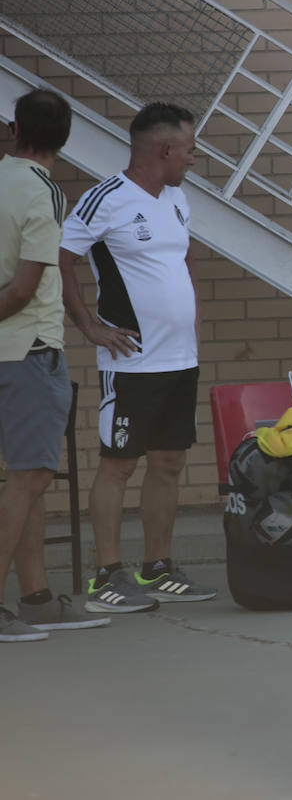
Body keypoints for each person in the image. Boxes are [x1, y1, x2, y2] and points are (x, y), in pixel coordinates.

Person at [58, 102, 216, 612]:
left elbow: (184, 259)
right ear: (165, 149)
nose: (194, 159)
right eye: (190, 149)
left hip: (179, 359)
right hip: (131, 362)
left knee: (169, 462)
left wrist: (191, 322)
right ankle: (106, 577)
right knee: (118, 466)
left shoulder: (177, 198)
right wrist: (90, 326)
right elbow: (62, 258)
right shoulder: (105, 198)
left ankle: (158, 569)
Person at [0, 89, 109, 641]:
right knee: (31, 477)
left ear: (15, 127)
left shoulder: (0, 178)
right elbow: (24, 287)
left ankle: (36, 597)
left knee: (28, 475)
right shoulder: (43, 193)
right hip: (29, 350)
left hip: (11, 353)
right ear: (65, 138)